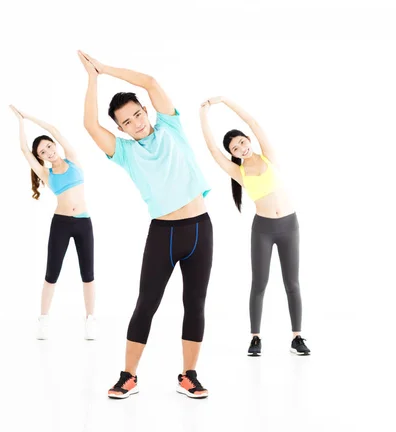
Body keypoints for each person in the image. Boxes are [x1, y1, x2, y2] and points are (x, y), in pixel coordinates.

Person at [79, 51, 212, 399]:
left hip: (200, 228)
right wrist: (93, 79)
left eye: (138, 114)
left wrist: (106, 69)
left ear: (145, 111)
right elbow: (91, 126)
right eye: (127, 122)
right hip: (164, 235)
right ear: (121, 128)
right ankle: (128, 376)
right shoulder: (124, 152)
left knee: (195, 303)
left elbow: (151, 83)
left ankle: (189, 375)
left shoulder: (171, 125)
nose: (136, 122)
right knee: (146, 303)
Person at [199, 96, 310, 356]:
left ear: (247, 140)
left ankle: (297, 337)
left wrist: (225, 102)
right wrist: (203, 115)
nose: (240, 148)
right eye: (235, 149)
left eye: (241, 142)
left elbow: (252, 120)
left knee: (292, 283)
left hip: (289, 226)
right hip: (263, 230)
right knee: (259, 283)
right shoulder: (239, 172)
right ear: (234, 155)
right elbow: (213, 150)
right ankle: (255, 338)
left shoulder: (268, 154)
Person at [10, 105, 96, 340]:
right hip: (61, 223)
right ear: (41, 158)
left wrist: (28, 115)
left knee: (88, 273)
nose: (48, 151)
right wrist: (20, 124)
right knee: (52, 273)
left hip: (83, 223)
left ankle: (90, 319)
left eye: (48, 146)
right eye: (43, 152)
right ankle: (43, 320)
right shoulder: (46, 175)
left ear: (54, 146)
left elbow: (54, 130)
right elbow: (24, 151)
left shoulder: (74, 159)